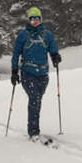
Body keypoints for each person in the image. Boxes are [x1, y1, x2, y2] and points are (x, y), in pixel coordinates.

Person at [11, 7, 60, 140]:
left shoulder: (47, 35)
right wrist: (14, 71)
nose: (35, 21)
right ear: (29, 20)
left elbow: (53, 48)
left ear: (40, 20)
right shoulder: (23, 35)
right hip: (28, 73)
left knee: (38, 99)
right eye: (32, 19)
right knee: (35, 98)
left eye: (37, 19)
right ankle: (33, 131)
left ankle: (34, 128)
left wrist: (55, 56)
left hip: (43, 73)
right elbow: (16, 53)